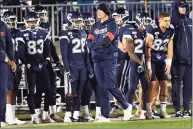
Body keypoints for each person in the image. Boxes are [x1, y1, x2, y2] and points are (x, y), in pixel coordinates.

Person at [87, 3, 132, 122]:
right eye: (97, 11)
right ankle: (105, 116)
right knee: (101, 87)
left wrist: (95, 45)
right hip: (96, 59)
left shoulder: (112, 24)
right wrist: (97, 45)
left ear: (105, 12)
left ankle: (126, 106)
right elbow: (88, 42)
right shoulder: (95, 25)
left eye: (100, 11)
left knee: (110, 84)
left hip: (108, 58)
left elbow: (107, 41)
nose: (97, 12)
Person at [16, 11, 52, 124]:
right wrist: (27, 64)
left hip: (42, 63)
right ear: (26, 22)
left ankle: (45, 114)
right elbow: (20, 53)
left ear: (37, 21)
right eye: (30, 21)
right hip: (30, 64)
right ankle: (33, 116)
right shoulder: (21, 33)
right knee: (31, 91)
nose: (32, 23)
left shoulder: (43, 32)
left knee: (49, 90)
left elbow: (48, 50)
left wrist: (46, 61)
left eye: (34, 21)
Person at [59, 11, 93, 122]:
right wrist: (67, 70)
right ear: (69, 22)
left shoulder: (83, 32)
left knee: (79, 91)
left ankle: (76, 115)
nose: (79, 24)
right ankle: (68, 116)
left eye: (80, 21)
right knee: (71, 92)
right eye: (76, 21)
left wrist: (89, 68)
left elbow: (86, 54)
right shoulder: (64, 33)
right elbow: (64, 55)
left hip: (82, 66)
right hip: (72, 66)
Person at [33, 5, 64, 122]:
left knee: (52, 86)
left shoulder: (46, 27)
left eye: (44, 15)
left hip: (46, 61)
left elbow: (50, 45)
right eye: (40, 15)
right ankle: (36, 115)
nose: (43, 18)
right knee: (37, 90)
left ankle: (52, 113)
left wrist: (56, 60)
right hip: (35, 62)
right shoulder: (29, 30)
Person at [145, 12, 174, 119]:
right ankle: (150, 109)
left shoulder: (171, 30)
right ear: (159, 20)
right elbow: (147, 48)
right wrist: (148, 66)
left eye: (169, 20)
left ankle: (163, 110)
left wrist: (169, 63)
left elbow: (170, 47)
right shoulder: (152, 29)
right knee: (152, 84)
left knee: (164, 83)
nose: (168, 23)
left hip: (161, 58)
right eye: (165, 20)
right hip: (151, 58)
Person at [123, 12, 152, 120]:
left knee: (146, 88)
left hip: (143, 63)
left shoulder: (146, 33)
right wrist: (141, 63)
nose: (147, 24)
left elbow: (146, 51)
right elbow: (131, 54)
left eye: (148, 21)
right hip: (134, 64)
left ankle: (144, 112)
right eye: (145, 21)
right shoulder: (130, 32)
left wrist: (147, 66)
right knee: (131, 88)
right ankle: (127, 112)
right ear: (139, 21)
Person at [2, 10, 26, 125]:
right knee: (8, 89)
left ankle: (12, 115)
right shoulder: (3, 30)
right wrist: (9, 61)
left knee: (14, 89)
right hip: (7, 62)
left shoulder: (18, 32)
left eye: (13, 20)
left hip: (16, 62)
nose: (12, 22)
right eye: (10, 20)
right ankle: (8, 116)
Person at [110, 7, 132, 118]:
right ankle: (122, 105)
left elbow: (124, 49)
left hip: (124, 59)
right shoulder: (119, 28)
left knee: (120, 84)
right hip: (116, 59)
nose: (115, 19)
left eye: (117, 17)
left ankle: (118, 106)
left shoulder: (127, 28)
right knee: (117, 83)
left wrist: (114, 38)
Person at [171, 0, 192, 117]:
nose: (183, 9)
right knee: (176, 86)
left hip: (190, 60)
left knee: (189, 86)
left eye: (185, 6)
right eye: (181, 6)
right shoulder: (173, 22)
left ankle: (187, 108)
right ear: (176, 7)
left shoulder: (189, 21)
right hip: (178, 60)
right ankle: (177, 109)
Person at [81, 12, 101, 121]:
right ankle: (86, 113)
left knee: (98, 89)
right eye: (86, 22)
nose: (89, 24)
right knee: (86, 89)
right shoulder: (80, 34)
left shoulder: (97, 33)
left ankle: (98, 113)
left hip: (95, 63)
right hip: (84, 65)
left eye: (90, 22)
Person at [0, 13, 16, 128]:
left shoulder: (3, 25)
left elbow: (9, 44)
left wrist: (12, 60)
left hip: (3, 63)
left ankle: (1, 118)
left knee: (2, 90)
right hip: (3, 59)